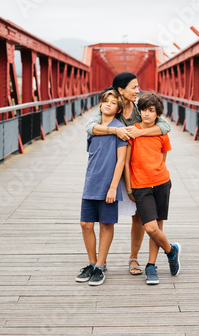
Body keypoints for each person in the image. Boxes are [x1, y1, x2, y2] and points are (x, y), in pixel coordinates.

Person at [85, 72, 171, 275]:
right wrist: (116, 131)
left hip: (137, 171)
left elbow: (164, 126)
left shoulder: (140, 110)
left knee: (139, 217)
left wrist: (139, 132)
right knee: (105, 216)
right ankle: (99, 261)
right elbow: (90, 127)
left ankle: (134, 258)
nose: (137, 90)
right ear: (120, 90)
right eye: (133, 87)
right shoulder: (111, 107)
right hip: (111, 169)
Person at [124, 91, 181, 285]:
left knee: (158, 226)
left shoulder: (162, 134)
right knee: (150, 227)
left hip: (161, 183)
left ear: (158, 113)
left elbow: (162, 159)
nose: (147, 114)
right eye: (144, 110)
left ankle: (151, 266)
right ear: (139, 112)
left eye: (151, 110)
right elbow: (126, 162)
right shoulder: (132, 132)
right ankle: (172, 251)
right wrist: (129, 188)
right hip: (140, 186)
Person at [76, 88, 128, 286]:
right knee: (85, 224)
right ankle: (91, 262)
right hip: (91, 182)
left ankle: (99, 266)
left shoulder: (121, 130)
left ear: (117, 109)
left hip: (109, 185)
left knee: (106, 225)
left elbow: (121, 161)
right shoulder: (93, 127)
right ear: (100, 105)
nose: (108, 104)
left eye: (113, 102)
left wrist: (114, 187)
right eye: (106, 101)